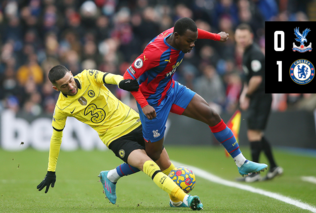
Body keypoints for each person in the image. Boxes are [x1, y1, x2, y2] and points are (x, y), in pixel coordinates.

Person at [114, 17, 267, 205]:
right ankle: (112, 176)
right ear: (176, 36)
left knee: (212, 115)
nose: (193, 44)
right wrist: (143, 104)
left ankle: (241, 163)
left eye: (194, 40)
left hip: (170, 89)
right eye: (189, 41)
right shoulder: (154, 52)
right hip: (152, 102)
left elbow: (196, 32)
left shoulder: (180, 33)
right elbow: (127, 78)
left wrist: (216, 37)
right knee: (153, 155)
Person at [36, 65, 203, 210]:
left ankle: (172, 201)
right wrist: (51, 170)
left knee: (167, 167)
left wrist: (122, 82)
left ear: (72, 73)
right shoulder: (61, 108)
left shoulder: (88, 76)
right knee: (148, 165)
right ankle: (187, 199)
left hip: (136, 123)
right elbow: (56, 138)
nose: (71, 86)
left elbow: (110, 77)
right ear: (55, 89)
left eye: (70, 80)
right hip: (115, 138)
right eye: (64, 86)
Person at [235, 24, 283, 182]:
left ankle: (254, 174)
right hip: (256, 96)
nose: (241, 40)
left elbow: (257, 79)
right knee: (256, 134)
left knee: (253, 133)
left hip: (261, 96)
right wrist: (244, 95)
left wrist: (247, 96)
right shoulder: (247, 52)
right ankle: (274, 167)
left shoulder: (255, 53)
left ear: (251, 36)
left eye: (244, 37)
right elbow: (248, 79)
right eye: (239, 37)